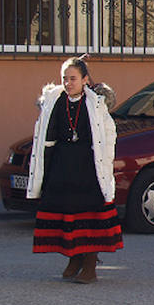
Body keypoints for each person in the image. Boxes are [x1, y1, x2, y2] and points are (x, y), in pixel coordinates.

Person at [27, 56, 122, 284]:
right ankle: (74, 257)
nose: (68, 83)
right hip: (62, 168)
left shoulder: (96, 104)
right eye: (65, 79)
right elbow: (46, 137)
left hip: (88, 170)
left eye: (73, 78)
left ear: (85, 79)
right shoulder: (55, 102)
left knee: (89, 217)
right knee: (66, 215)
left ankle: (90, 265)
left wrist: (105, 167)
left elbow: (108, 137)